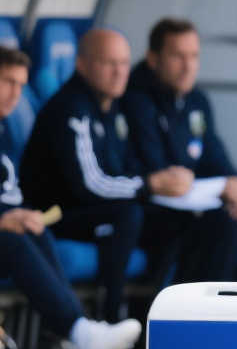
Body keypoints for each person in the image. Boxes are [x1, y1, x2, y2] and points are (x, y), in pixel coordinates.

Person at [18, 29, 193, 322]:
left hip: (94, 210)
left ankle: (155, 318)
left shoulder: (113, 108)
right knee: (126, 215)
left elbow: (125, 169)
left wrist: (160, 182)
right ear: (82, 64)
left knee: (175, 221)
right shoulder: (71, 108)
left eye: (124, 63)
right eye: (109, 63)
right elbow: (89, 184)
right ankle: (109, 316)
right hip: (55, 214)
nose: (119, 72)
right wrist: (149, 185)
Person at [0, 46, 142, 349]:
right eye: (7, 82)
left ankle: (72, 337)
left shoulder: (4, 129)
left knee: (35, 231)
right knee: (12, 238)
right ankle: (79, 334)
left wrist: (20, 215)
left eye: (21, 85)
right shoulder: (69, 106)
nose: (15, 93)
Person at [122, 19, 237, 285]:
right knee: (223, 221)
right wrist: (220, 188)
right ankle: (211, 308)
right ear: (153, 59)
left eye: (194, 56)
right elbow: (158, 170)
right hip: (153, 211)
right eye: (178, 56)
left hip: (197, 204)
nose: (188, 66)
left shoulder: (197, 100)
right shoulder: (135, 99)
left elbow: (215, 155)